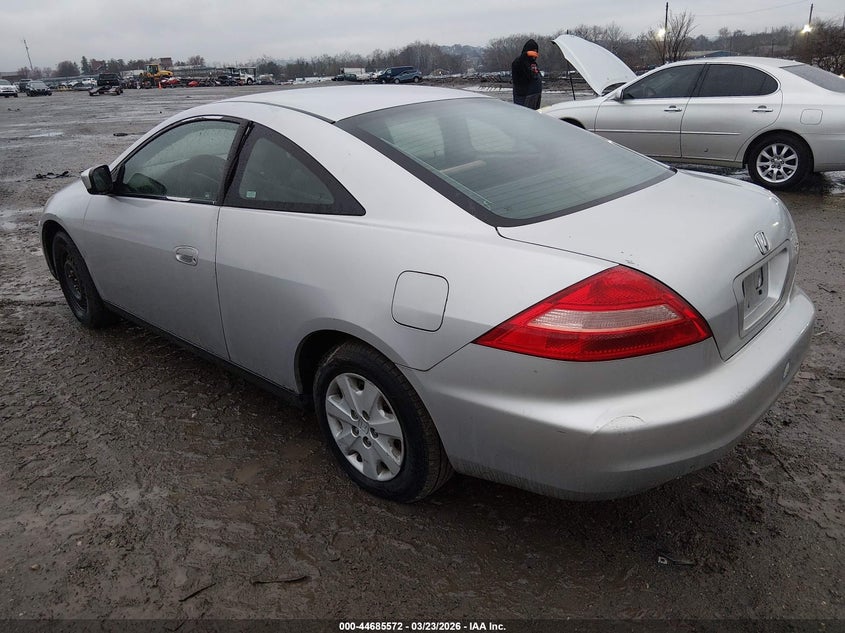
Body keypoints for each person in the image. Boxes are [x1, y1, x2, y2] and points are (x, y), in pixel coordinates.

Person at [511, 39, 542, 109]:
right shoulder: (519, 62)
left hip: (535, 95)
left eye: (536, 51)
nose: (535, 53)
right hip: (524, 96)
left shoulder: (533, 63)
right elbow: (517, 64)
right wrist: (525, 55)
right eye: (533, 51)